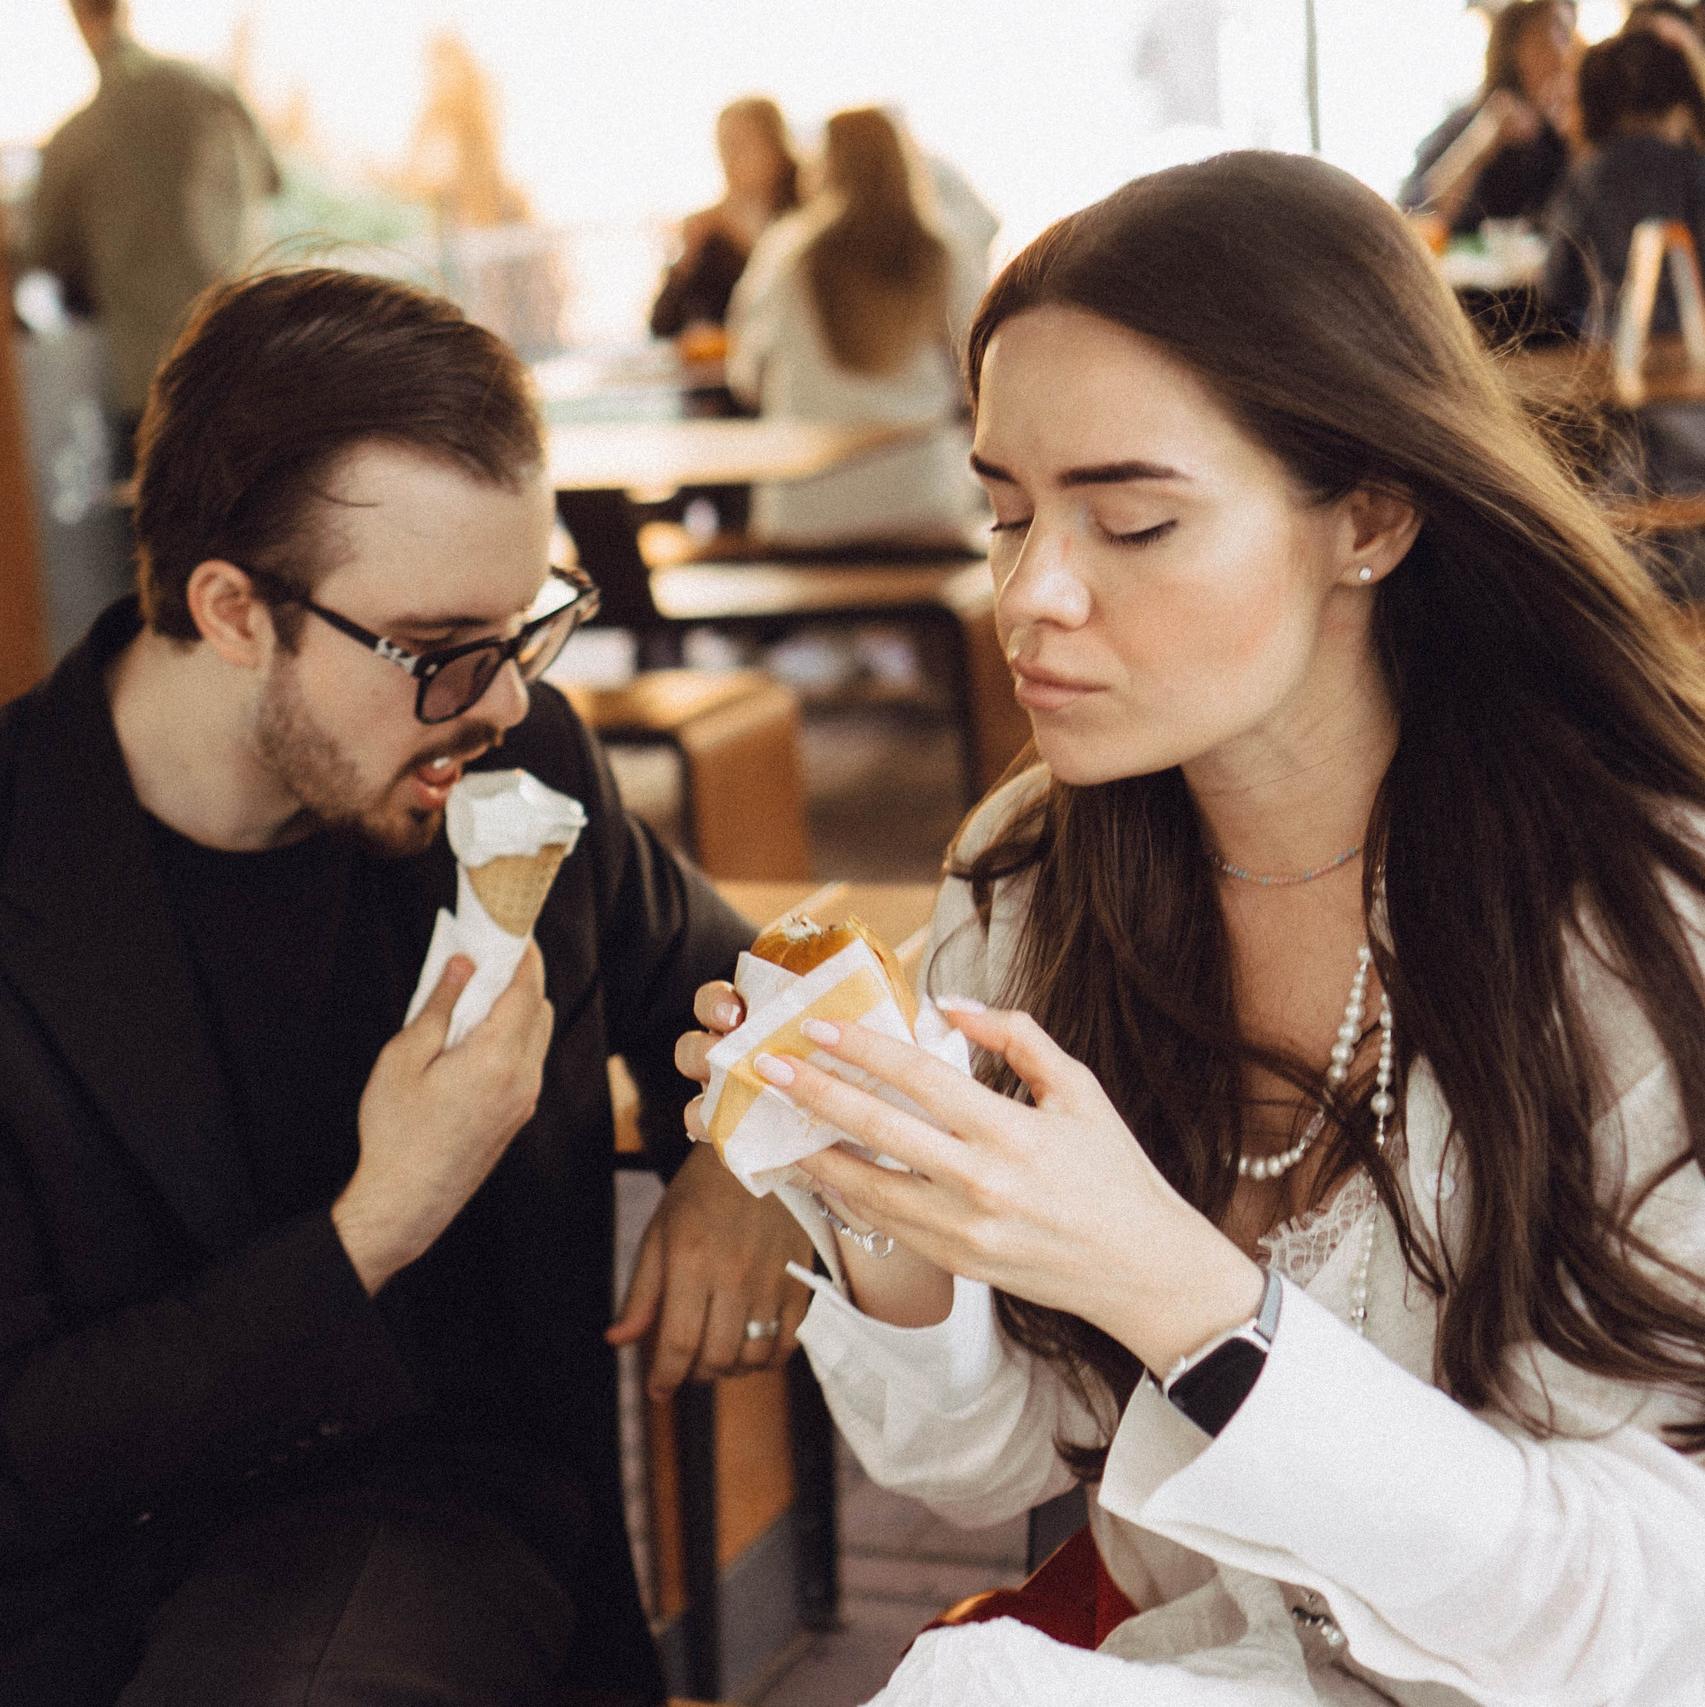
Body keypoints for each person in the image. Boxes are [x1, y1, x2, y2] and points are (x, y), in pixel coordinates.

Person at [681, 151, 1705, 1701]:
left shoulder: (1638, 919)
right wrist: (885, 1191)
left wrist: (1173, 1279)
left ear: (1369, 516)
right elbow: (985, 1457)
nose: (1033, 595)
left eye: (1133, 523)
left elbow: (1638, 1627)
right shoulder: (1036, 875)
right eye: (1007, 516)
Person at [0, 267, 816, 1707]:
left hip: (430, 1530)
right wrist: (378, 1218)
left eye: (530, 623)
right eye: (446, 651)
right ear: (232, 608)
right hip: (40, 1582)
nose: (506, 694)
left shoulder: (513, 769)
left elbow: (765, 994)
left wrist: (748, 1162)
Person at [23, 0, 279, 466]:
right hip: (247, 357)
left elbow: (44, 256)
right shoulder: (208, 90)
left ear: (76, 17)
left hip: (150, 384)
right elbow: (272, 181)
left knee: (166, 532)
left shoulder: (73, 139)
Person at [724, 107, 982, 548]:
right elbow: (979, 375)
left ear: (822, 168)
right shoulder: (944, 253)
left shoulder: (786, 255)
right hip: (923, 500)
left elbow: (745, 378)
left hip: (803, 512)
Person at [1541, 26, 1705, 336]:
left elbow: (1558, 283)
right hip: (1695, 350)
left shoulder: (1589, 174)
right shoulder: (1694, 168)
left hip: (1617, 350)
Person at [1400, 0, 1579, 239]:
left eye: (1566, 32)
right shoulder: (1472, 120)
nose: (1560, 47)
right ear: (1513, 47)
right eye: (1549, 32)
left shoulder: (1562, 134)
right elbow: (1417, 213)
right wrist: (1482, 143)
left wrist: (1576, 135)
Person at [650, 97, 801, 344]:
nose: (729, 159)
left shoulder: (807, 222)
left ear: (776, 147)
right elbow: (662, 327)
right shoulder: (707, 231)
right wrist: (685, 260)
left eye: (741, 145)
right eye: (724, 146)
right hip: (725, 376)